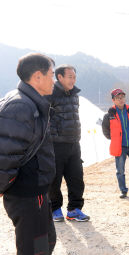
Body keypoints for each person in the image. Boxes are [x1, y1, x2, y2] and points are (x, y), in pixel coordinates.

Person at [0, 53, 56, 254]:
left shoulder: (30, 101)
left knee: (45, 242)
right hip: (26, 193)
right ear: (37, 77)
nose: (54, 79)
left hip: (35, 190)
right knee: (35, 248)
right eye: (51, 74)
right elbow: (6, 154)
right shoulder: (20, 105)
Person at [47, 65, 90, 222]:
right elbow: (44, 119)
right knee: (54, 180)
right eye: (70, 76)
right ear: (60, 77)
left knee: (76, 178)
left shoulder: (74, 95)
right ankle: (54, 209)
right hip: (56, 144)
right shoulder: (50, 93)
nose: (73, 79)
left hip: (74, 143)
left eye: (74, 76)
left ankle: (74, 209)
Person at [102, 88, 129, 198]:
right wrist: (115, 138)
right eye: (118, 98)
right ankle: (123, 190)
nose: (121, 99)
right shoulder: (109, 114)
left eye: (122, 97)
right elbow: (106, 130)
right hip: (119, 146)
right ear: (113, 100)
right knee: (120, 170)